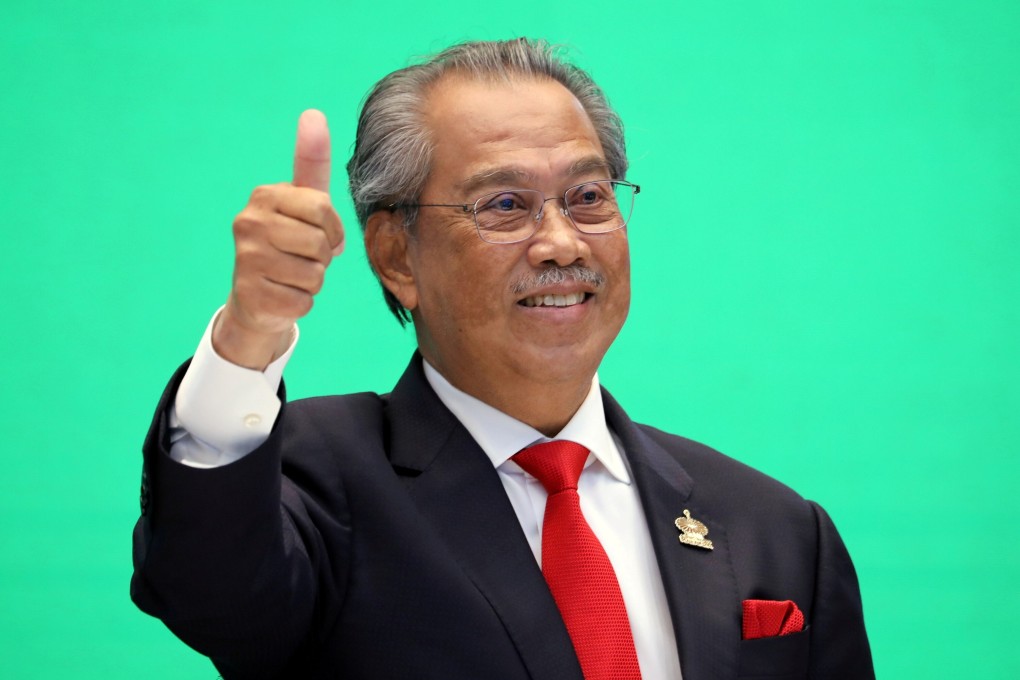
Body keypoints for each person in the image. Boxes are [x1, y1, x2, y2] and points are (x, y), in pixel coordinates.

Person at [131, 38, 874, 680]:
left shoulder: (776, 527)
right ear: (396, 256)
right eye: (505, 206)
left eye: (588, 196)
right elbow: (211, 592)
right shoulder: (318, 480)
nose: (562, 243)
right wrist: (249, 334)